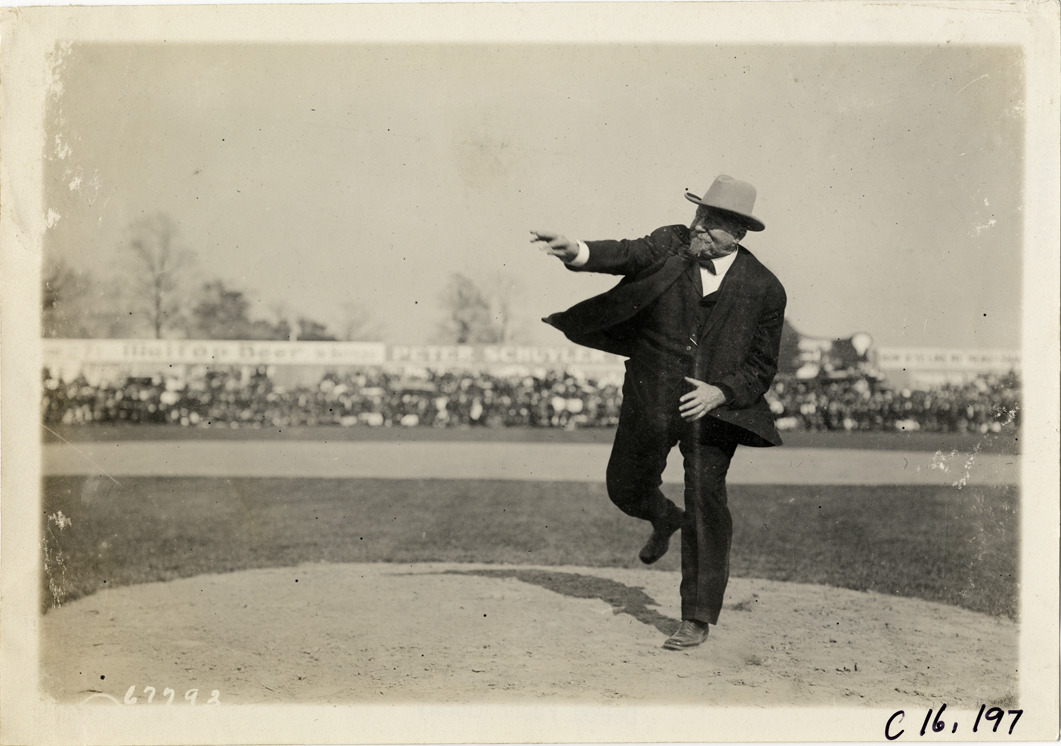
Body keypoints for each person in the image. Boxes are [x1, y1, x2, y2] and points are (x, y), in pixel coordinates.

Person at [531, 175, 786, 650]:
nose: (698, 226)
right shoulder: (670, 242)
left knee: (706, 499)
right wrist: (578, 251)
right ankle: (665, 518)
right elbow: (627, 253)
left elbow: (761, 366)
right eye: (699, 215)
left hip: (712, 413)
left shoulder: (765, 288)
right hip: (650, 392)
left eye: (712, 222)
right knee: (624, 487)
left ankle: (697, 617)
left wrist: (721, 392)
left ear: (738, 233)